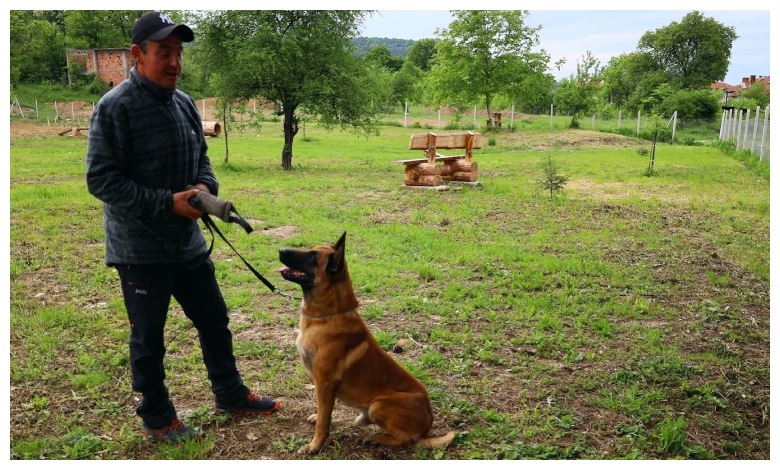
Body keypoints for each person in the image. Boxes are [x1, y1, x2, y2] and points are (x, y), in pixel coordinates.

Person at [86, 11, 280, 445]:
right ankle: (157, 416)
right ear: (138, 55)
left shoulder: (185, 102)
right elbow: (100, 179)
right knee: (149, 337)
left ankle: (230, 394)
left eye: (178, 53)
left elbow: (203, 161)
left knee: (214, 319)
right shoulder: (114, 108)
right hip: (139, 249)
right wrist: (165, 203)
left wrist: (204, 187)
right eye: (163, 53)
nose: (174, 62)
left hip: (187, 244)